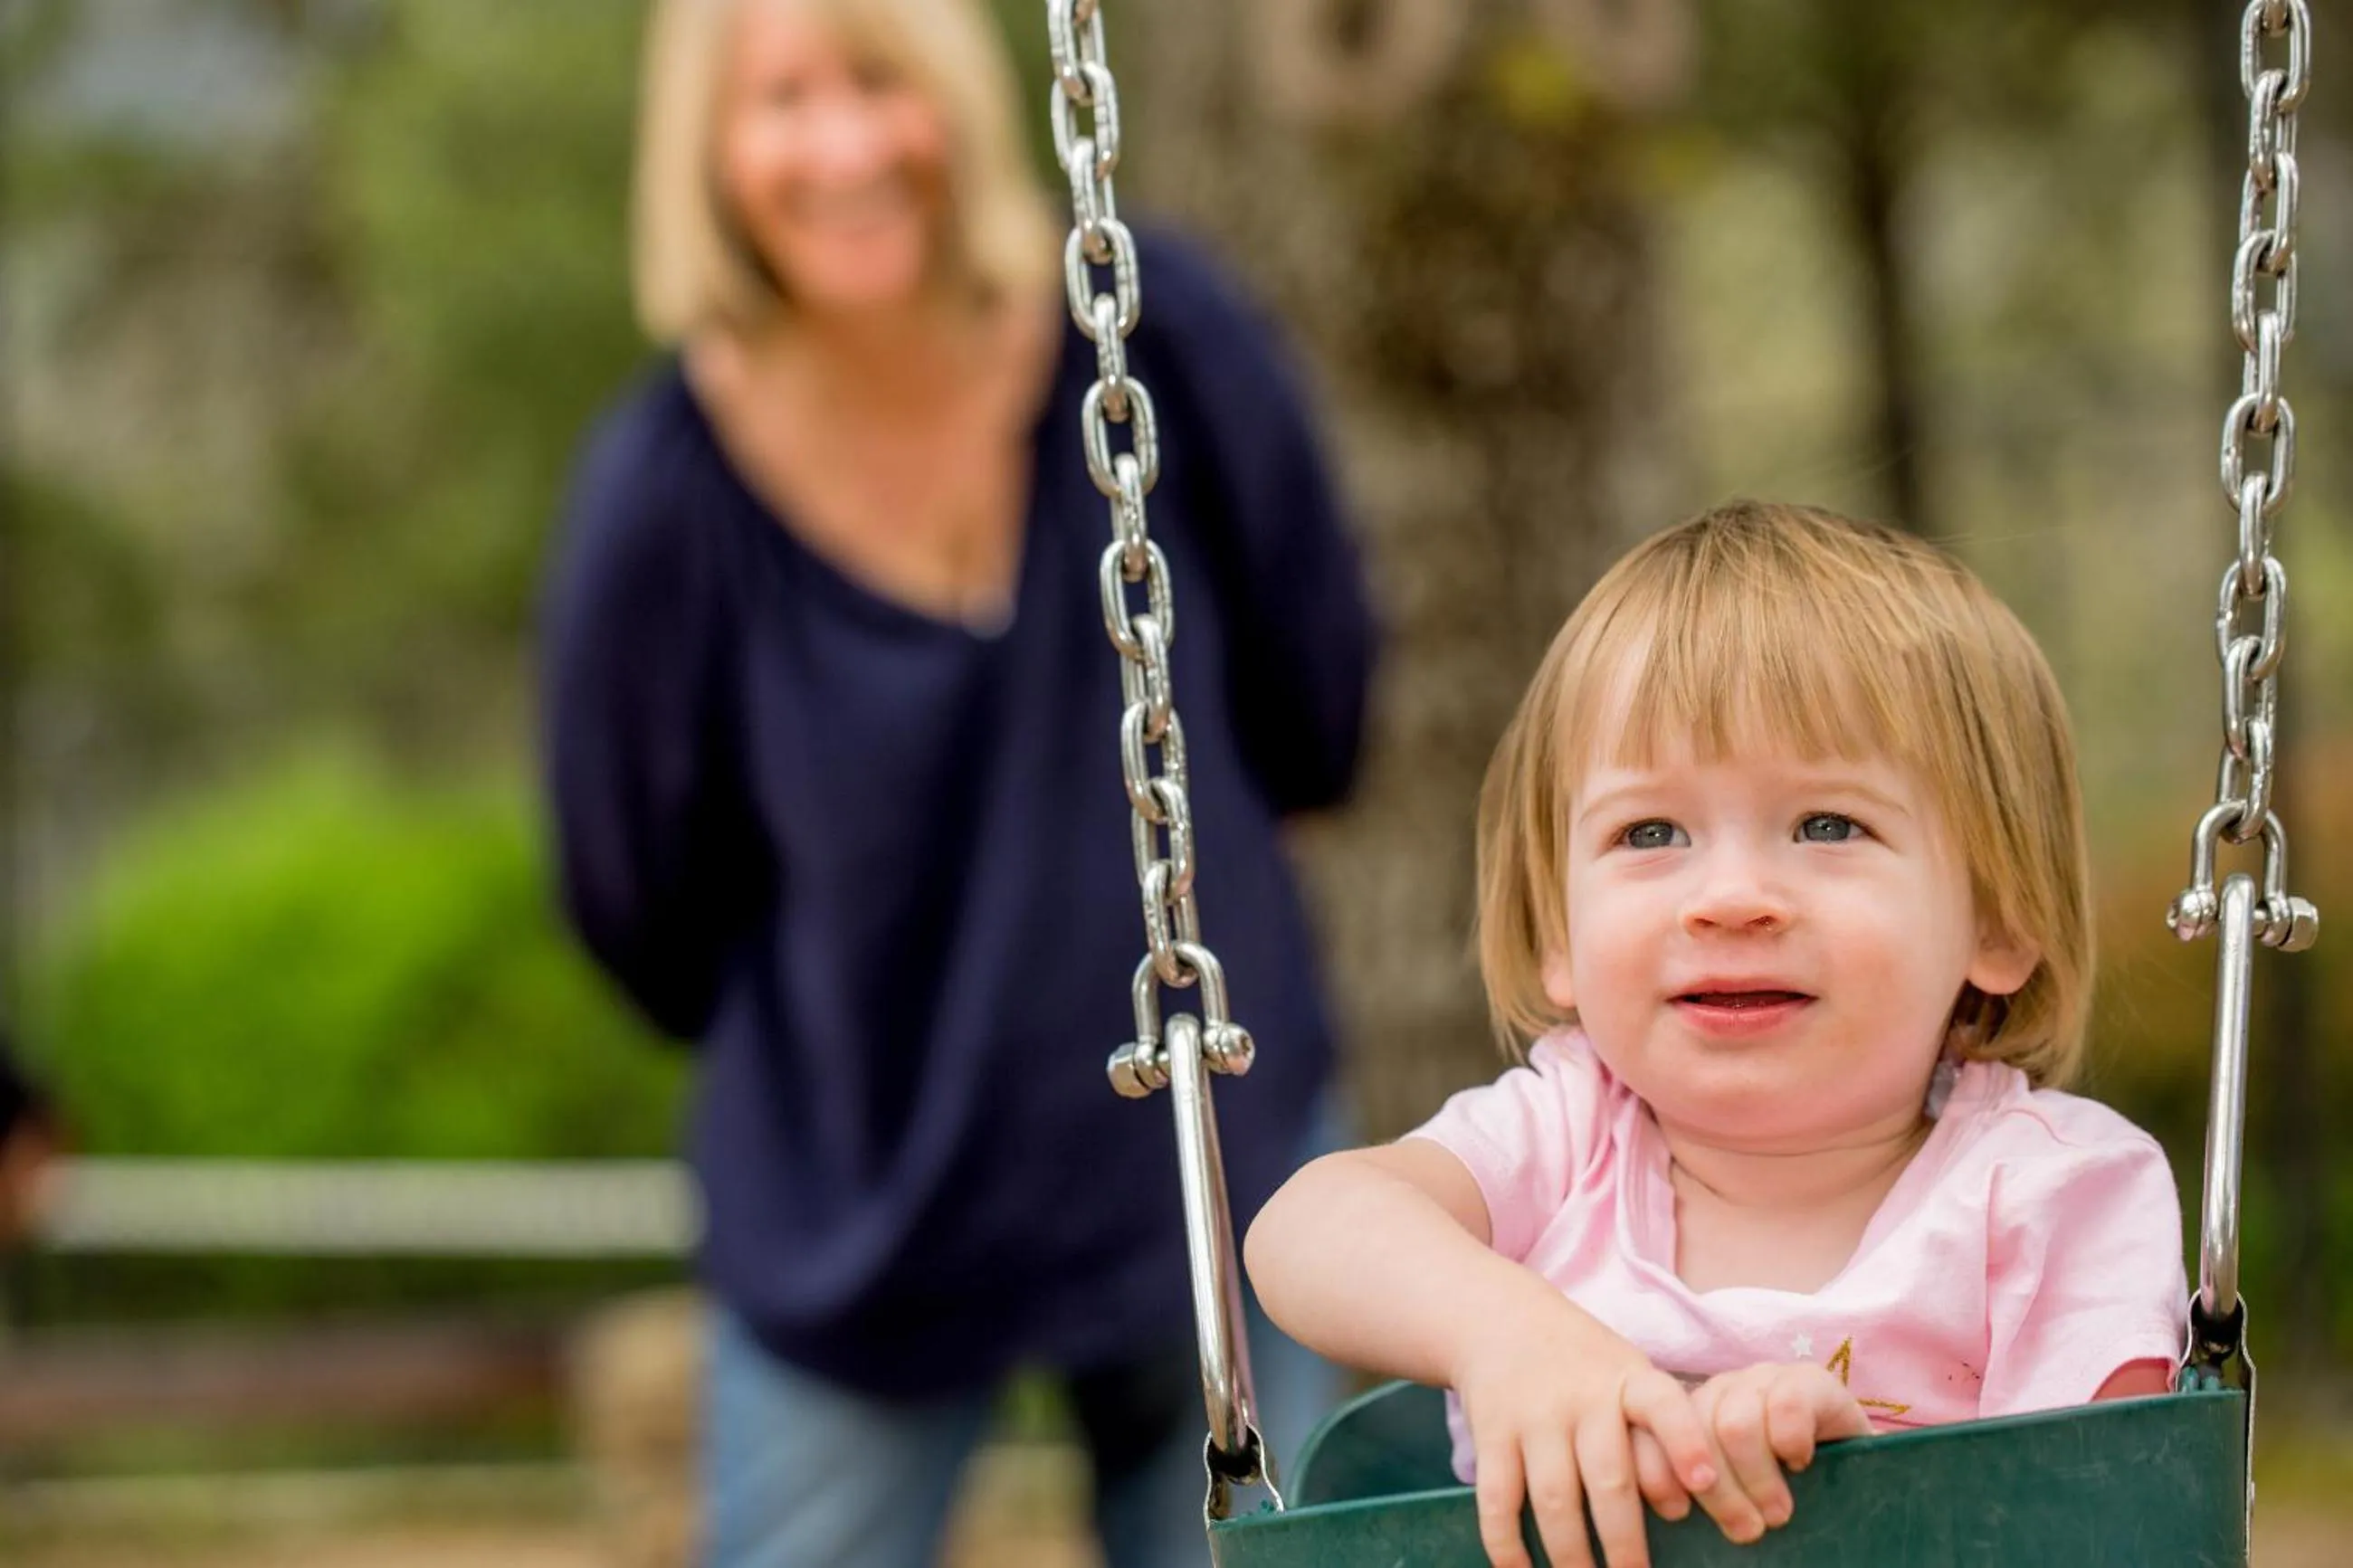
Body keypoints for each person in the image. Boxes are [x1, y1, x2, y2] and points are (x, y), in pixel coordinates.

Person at [540, 1, 1376, 1564]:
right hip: (861, 1210)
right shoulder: (666, 497)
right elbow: (634, 899)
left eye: (881, 81)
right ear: (707, 153)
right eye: (783, 100)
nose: (845, 145)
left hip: (1208, 1162)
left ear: (962, 99)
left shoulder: (1150, 337)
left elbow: (1317, 706)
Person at [1245, 502, 2185, 1568]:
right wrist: (1509, 1332)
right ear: (1557, 933)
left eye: (1827, 824)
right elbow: (1300, 1230)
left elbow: (2117, 1517)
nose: (1731, 897)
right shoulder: (1566, 1138)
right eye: (1649, 831)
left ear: (1998, 916)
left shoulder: (2056, 1196)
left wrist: (1874, 1490)